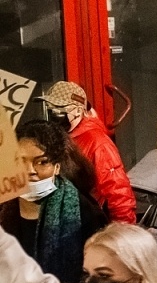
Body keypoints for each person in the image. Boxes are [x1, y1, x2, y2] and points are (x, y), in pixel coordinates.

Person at [2, 120, 107, 283]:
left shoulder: (84, 212)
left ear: (57, 167)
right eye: (21, 161)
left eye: (42, 162)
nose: (30, 171)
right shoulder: (4, 206)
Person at [37, 81, 137, 224]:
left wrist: (122, 233)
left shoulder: (97, 142)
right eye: (50, 108)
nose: (54, 114)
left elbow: (117, 190)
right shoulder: (58, 137)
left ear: (78, 110)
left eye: (59, 108)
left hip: (86, 222)